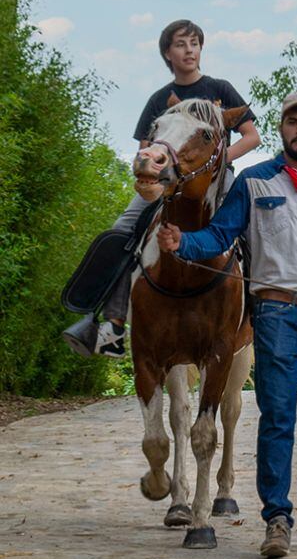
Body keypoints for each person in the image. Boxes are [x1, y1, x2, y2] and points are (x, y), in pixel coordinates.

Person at [157, 91, 297, 559]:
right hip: (276, 314)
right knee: (278, 419)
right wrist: (181, 242)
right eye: (293, 121)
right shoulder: (252, 183)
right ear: (282, 128)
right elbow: (218, 235)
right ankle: (277, 520)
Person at [65, 19, 261, 358]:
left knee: (253, 227)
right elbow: (146, 147)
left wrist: (215, 162)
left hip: (216, 179)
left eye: (195, 43)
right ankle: (110, 324)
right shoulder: (159, 99)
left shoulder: (221, 89)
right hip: (170, 182)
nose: (190, 50)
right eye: (181, 44)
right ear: (167, 53)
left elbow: (252, 136)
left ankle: (261, 313)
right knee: (123, 231)